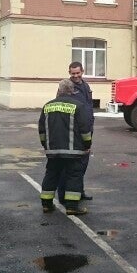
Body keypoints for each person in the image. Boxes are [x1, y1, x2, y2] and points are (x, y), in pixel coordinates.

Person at [38, 79, 92, 215]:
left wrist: (45, 145)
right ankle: (72, 207)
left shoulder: (47, 106)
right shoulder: (78, 106)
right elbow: (85, 129)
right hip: (73, 150)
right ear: (72, 90)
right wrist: (87, 145)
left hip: (53, 150)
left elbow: (42, 130)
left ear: (59, 90)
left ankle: (46, 204)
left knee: (51, 175)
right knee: (74, 176)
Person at [57, 61, 94, 203]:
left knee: (82, 165)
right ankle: (63, 195)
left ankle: (79, 191)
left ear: (82, 71)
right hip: (73, 131)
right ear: (69, 73)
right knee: (67, 167)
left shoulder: (85, 86)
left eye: (78, 73)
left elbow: (89, 107)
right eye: (73, 73)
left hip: (86, 129)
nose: (76, 76)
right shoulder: (66, 87)